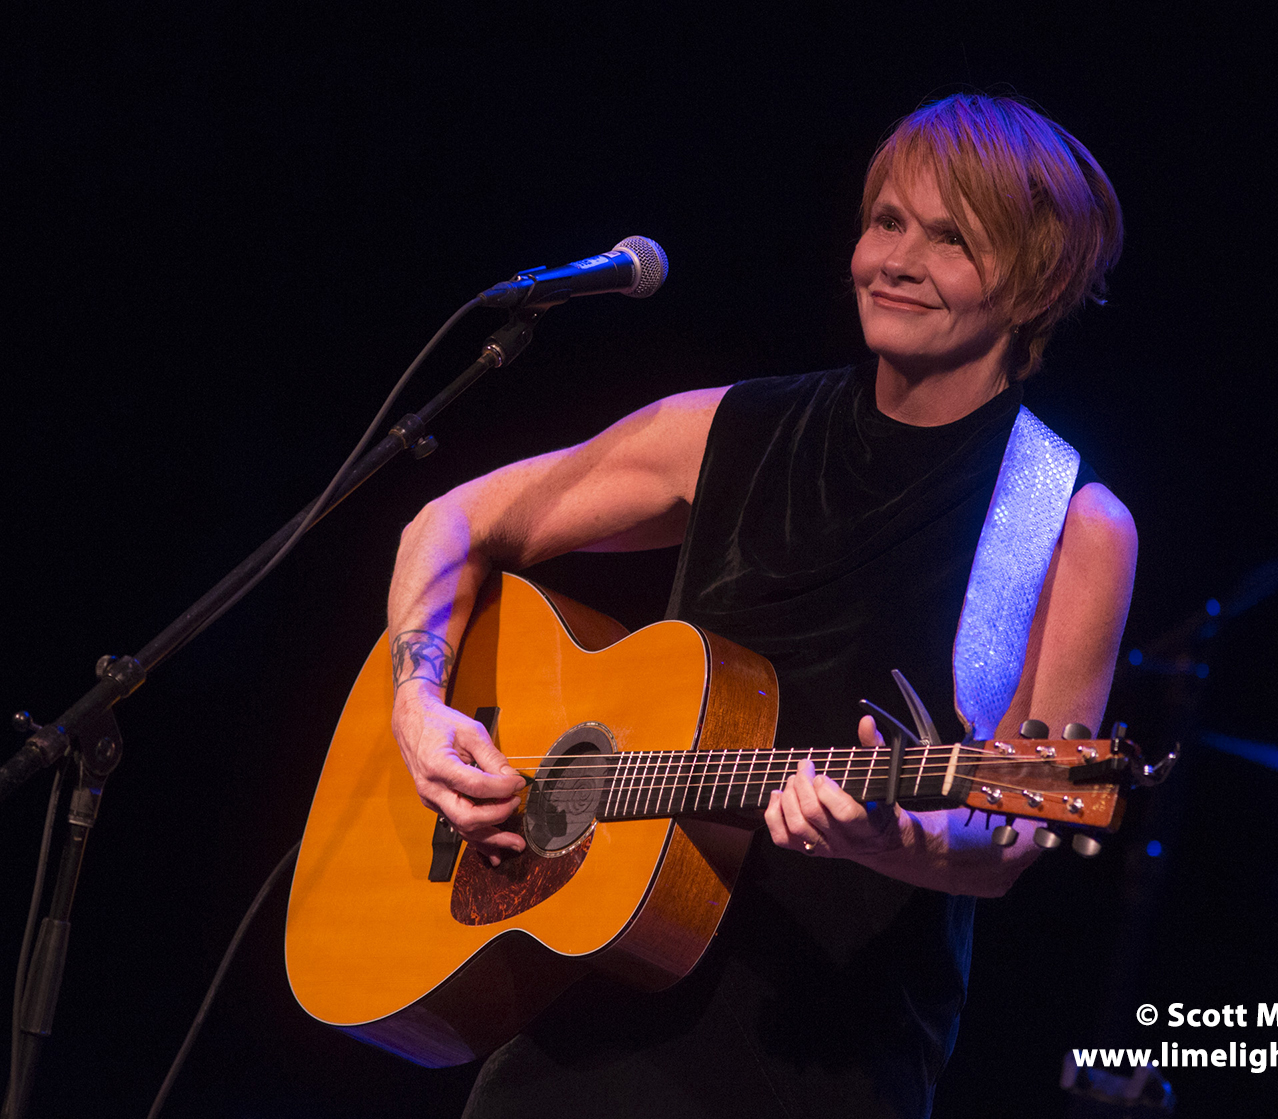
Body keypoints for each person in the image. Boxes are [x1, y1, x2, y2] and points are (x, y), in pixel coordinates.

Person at [388, 93, 1136, 1119]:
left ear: (1038, 281)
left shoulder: (1065, 519)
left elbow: (1006, 842)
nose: (896, 261)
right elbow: (450, 523)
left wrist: (892, 840)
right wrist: (418, 703)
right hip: (584, 1009)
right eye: (887, 221)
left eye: (951, 239)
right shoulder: (730, 429)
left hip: (824, 1053)